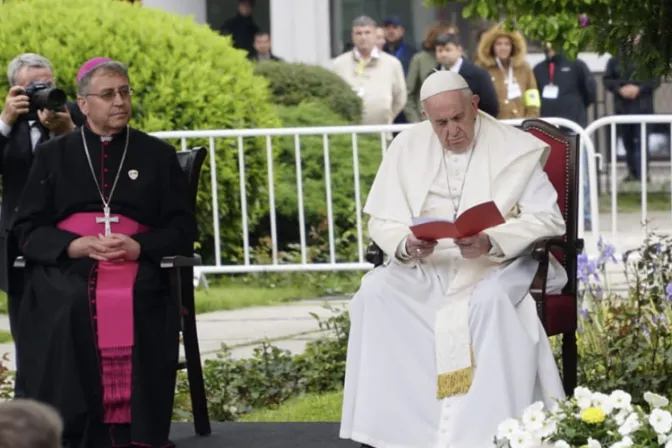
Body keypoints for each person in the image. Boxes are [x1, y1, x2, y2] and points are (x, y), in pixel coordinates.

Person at [340, 71, 567, 448]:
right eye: (440, 123)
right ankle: (395, 430)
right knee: (375, 292)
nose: (451, 132)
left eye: (458, 119)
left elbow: (548, 218)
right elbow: (382, 219)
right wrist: (405, 243)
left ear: (474, 105)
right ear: (428, 119)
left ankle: (487, 433)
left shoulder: (515, 147)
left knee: (489, 305)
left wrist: (491, 240)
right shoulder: (406, 146)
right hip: (430, 262)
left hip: (497, 262)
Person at [12, 60, 195, 447]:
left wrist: (139, 245)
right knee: (71, 302)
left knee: (139, 297)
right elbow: (26, 228)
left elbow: (182, 230)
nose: (120, 102)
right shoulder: (53, 155)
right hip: (71, 263)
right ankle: (72, 431)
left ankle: (134, 434)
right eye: (108, 94)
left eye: (125, 92)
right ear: (82, 104)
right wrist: (73, 245)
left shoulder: (157, 155)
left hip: (136, 263)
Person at [0, 53, 81, 397]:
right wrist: (5, 120)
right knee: (26, 328)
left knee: (65, 324)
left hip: (67, 236)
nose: (41, 92)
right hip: (16, 237)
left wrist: (68, 131)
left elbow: (94, 169)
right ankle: (28, 403)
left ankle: (69, 396)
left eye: (47, 84)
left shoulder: (74, 114)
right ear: (14, 88)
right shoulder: (9, 123)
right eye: (32, 86)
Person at [332, 16, 406, 126]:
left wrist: (387, 117)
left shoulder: (392, 63)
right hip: (348, 131)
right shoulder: (339, 64)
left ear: (375, 35)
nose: (363, 37)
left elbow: (400, 98)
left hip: (381, 131)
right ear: (352, 36)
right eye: (359, 33)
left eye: (367, 33)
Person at [475, 25, 540, 119]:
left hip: (520, 126)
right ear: (491, 46)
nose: (503, 48)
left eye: (507, 44)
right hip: (494, 127)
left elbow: (533, 100)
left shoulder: (524, 68)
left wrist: (529, 121)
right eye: (498, 44)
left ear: (513, 46)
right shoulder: (482, 68)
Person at [430, 33, 499, 117]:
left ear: (459, 50)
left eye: (448, 50)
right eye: (440, 50)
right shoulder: (431, 77)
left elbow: (491, 108)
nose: (443, 54)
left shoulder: (478, 75)